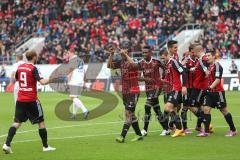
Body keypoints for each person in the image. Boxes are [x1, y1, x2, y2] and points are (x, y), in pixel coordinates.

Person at [2, 51, 56, 154]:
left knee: (17, 122)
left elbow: (16, 78)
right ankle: (45, 146)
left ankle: (7, 144)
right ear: (34, 57)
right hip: (32, 100)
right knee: (41, 122)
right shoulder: (33, 68)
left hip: (20, 99)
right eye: (37, 56)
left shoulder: (20, 67)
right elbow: (43, 82)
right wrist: (53, 79)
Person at [107, 46, 143, 143]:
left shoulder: (133, 60)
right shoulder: (121, 62)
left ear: (129, 51)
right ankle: (139, 134)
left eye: (124, 49)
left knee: (128, 113)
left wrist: (126, 55)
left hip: (134, 91)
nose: (121, 51)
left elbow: (135, 66)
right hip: (125, 92)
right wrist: (111, 55)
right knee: (131, 114)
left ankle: (122, 136)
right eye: (121, 49)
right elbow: (109, 66)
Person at [198, 49, 237, 137]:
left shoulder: (217, 66)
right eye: (206, 56)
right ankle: (207, 132)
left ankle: (233, 130)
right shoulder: (208, 66)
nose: (207, 57)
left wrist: (209, 87)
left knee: (224, 110)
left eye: (209, 56)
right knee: (206, 110)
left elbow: (218, 79)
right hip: (209, 93)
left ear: (213, 56)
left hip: (218, 92)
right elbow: (201, 62)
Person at [138, 46, 167, 136]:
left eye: (146, 52)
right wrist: (146, 79)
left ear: (150, 53)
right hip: (148, 89)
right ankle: (166, 129)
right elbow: (138, 77)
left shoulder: (156, 61)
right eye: (143, 53)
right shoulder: (141, 63)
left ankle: (145, 130)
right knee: (157, 109)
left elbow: (166, 68)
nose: (144, 54)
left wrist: (163, 78)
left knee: (147, 106)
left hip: (157, 87)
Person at [159, 49, 187, 137]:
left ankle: (179, 129)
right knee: (172, 110)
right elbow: (169, 78)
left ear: (167, 55)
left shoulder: (174, 62)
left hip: (176, 89)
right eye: (161, 59)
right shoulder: (166, 65)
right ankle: (180, 130)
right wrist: (162, 81)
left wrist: (184, 86)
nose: (162, 60)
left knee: (168, 107)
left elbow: (183, 72)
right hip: (170, 90)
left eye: (163, 58)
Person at [188, 44, 213, 133]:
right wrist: (194, 68)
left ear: (198, 51)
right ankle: (200, 126)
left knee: (191, 105)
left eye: (194, 52)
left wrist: (206, 71)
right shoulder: (201, 60)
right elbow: (201, 67)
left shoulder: (203, 59)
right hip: (200, 86)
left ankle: (205, 122)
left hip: (199, 87)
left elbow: (205, 68)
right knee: (201, 107)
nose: (193, 54)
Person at [67, 49, 89, 119]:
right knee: (75, 97)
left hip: (74, 80)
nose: (68, 55)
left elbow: (71, 71)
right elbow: (84, 71)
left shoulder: (72, 60)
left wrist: (68, 81)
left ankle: (85, 110)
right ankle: (74, 114)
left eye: (68, 53)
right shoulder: (81, 60)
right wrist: (84, 81)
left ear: (72, 53)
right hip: (80, 80)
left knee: (72, 97)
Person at [180, 44, 196, 134]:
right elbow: (182, 71)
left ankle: (200, 125)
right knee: (185, 107)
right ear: (189, 51)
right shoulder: (186, 60)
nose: (194, 53)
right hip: (188, 88)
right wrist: (190, 70)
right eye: (192, 52)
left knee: (199, 107)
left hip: (196, 88)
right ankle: (185, 127)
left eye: (195, 52)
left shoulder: (198, 60)